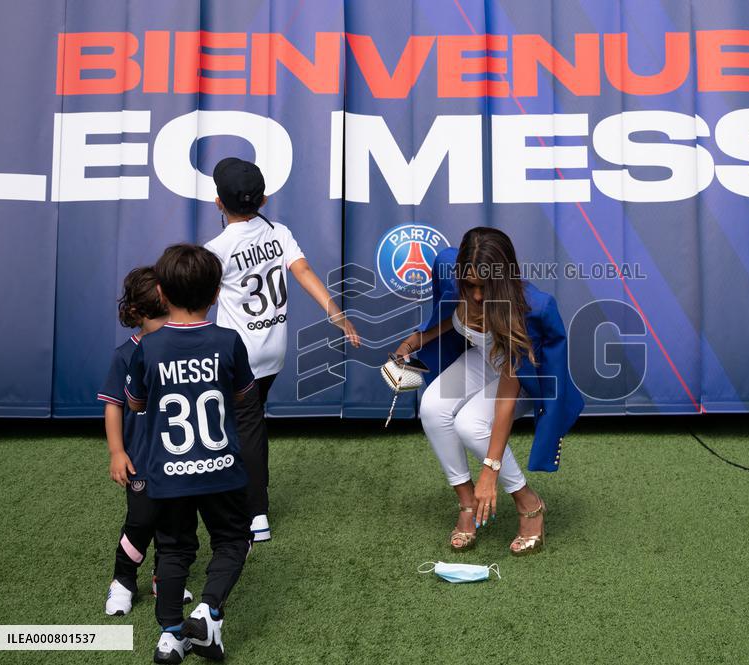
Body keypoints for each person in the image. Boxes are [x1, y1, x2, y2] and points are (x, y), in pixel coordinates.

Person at [394, 227, 583, 555]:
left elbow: (507, 397)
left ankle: (529, 504)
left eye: (486, 287)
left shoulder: (526, 309)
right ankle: (467, 503)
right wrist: (415, 340)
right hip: (484, 360)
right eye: (470, 285)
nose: (478, 296)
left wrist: (490, 471)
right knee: (432, 407)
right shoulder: (450, 270)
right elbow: (452, 313)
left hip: (523, 379)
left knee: (470, 424)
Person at [204, 157, 360, 543]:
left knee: (245, 428)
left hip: (236, 354)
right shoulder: (279, 233)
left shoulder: (217, 247)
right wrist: (335, 312)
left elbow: (202, 300)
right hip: (272, 351)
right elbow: (303, 271)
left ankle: (255, 513)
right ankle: (240, 497)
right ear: (265, 198)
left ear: (218, 203)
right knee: (245, 423)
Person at [125, 244, 255, 663]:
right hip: (221, 469)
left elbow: (135, 403)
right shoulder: (229, 341)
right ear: (217, 293)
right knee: (233, 540)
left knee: (175, 549)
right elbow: (241, 396)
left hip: (168, 471)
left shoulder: (149, 347)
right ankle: (208, 609)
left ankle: (170, 637)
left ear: (160, 293)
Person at [98, 267, 192, 615]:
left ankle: (163, 579)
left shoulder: (181, 346)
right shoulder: (125, 354)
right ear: (139, 315)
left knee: (177, 521)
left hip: (179, 457)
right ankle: (122, 580)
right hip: (140, 458)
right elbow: (112, 405)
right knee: (141, 520)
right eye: (161, 317)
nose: (169, 322)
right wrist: (117, 451)